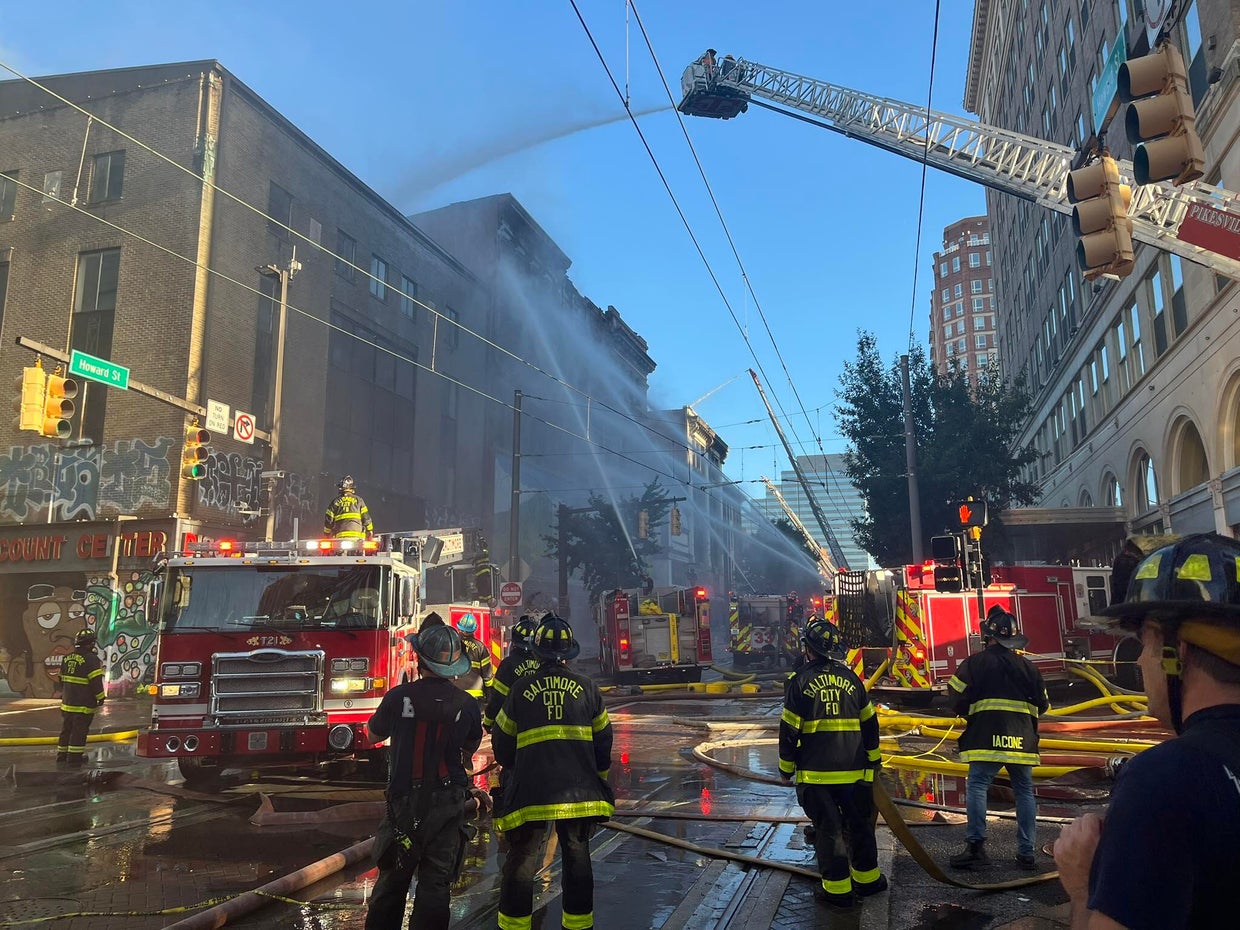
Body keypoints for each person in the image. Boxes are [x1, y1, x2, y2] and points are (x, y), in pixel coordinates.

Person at [1053, 533, 1240, 929]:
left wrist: (1083, 886)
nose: (1139, 660)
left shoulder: (1166, 779)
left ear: (1177, 653)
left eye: (1146, 643)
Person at [492, 614, 614, 930]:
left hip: (531, 790)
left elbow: (502, 746)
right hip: (579, 792)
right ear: (569, 654)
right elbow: (603, 742)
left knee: (523, 857)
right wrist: (600, 780)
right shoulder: (588, 689)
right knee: (576, 854)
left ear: (536, 651)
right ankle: (577, 925)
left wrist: (515, 771)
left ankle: (515, 926)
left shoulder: (520, 690)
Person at [364, 624, 482, 930]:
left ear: (420, 660)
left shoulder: (397, 697)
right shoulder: (466, 704)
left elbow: (373, 734)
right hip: (447, 804)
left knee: (392, 884)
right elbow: (470, 745)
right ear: (454, 667)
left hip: (403, 804)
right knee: (435, 885)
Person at [779, 616, 884, 909]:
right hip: (855, 773)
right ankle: (868, 882)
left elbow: (789, 731)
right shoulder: (853, 680)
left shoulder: (798, 683)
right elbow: (870, 725)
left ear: (809, 649)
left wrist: (785, 769)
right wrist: (874, 763)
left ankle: (838, 892)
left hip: (817, 776)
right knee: (859, 826)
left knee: (829, 830)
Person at [948, 606, 1049, 871]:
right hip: (1022, 740)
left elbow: (955, 695)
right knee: (1024, 790)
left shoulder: (974, 663)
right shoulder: (1029, 668)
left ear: (988, 636)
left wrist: (971, 711)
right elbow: (1044, 704)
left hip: (985, 736)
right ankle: (1027, 853)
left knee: (978, 785)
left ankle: (976, 849)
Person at [482, 614, 541, 732]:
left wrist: (488, 723)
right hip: (540, 722)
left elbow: (498, 698)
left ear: (514, 640)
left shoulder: (508, 665)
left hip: (514, 725)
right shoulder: (545, 663)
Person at [57, 629, 105, 767]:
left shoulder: (66, 658)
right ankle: (74, 757)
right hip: (83, 705)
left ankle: (62, 755)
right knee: (79, 731)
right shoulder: (92, 659)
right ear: (91, 643)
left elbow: (60, 680)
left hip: (67, 703)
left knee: (66, 729)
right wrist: (100, 697)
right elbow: (95, 682)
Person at [454, 613, 493, 705]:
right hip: (475, 694)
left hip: (455, 692)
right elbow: (487, 674)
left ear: (459, 627)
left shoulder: (452, 644)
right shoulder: (480, 647)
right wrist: (489, 692)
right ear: (474, 629)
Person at [323, 475, 374, 540]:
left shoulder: (335, 502)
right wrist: (370, 531)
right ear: (351, 488)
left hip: (340, 537)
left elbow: (328, 521)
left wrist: (326, 534)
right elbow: (366, 518)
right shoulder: (358, 500)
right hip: (357, 537)